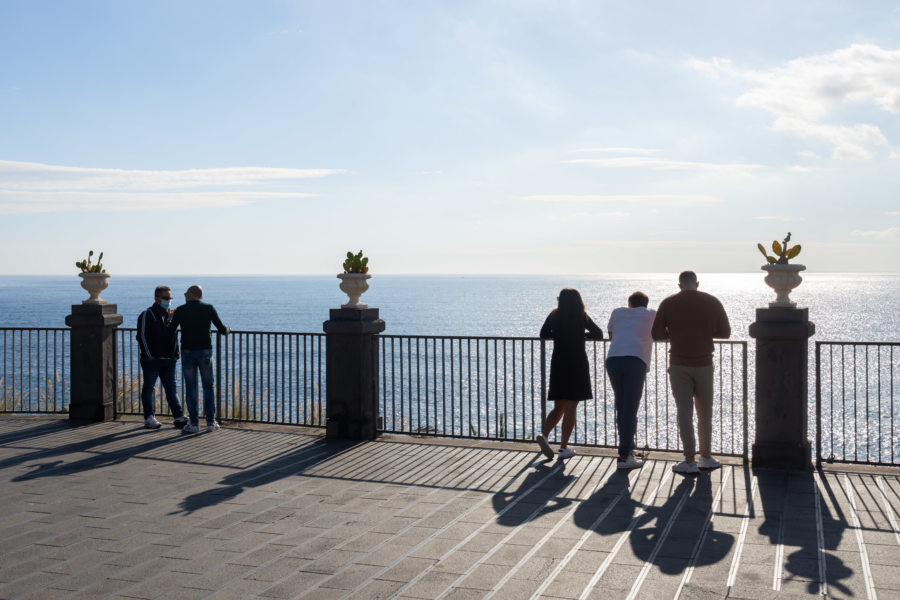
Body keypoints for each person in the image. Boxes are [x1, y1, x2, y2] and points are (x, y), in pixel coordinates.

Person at [651, 271, 731, 474]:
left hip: (679, 364)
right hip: (704, 364)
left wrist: (675, 332)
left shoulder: (668, 303)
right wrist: (704, 332)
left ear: (679, 285)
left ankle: (689, 460)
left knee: (684, 412)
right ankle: (706, 456)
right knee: (705, 412)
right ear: (697, 283)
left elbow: (657, 334)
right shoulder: (712, 301)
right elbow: (725, 332)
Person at [536, 288, 604, 460]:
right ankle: (563, 447)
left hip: (558, 363)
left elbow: (543, 334)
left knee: (559, 406)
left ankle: (544, 435)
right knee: (571, 406)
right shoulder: (582, 316)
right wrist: (582, 335)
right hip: (577, 364)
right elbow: (599, 334)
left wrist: (559, 335)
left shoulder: (554, 315)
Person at [169, 285, 230, 434]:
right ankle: (210, 422)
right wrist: (228, 330)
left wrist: (171, 318)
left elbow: (170, 330)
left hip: (188, 351)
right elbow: (222, 329)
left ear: (190, 294)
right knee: (208, 387)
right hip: (205, 351)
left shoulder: (181, 310)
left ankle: (194, 423)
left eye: (185, 293)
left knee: (191, 388)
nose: (184, 295)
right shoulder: (209, 308)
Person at [605, 291, 656, 470]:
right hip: (635, 360)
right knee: (630, 408)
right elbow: (662, 332)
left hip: (613, 360)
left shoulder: (617, 312)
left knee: (621, 406)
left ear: (629, 304)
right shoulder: (651, 314)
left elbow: (611, 334)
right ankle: (624, 455)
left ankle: (628, 449)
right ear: (645, 304)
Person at [136, 286, 187, 430]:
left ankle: (178, 416)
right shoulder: (148, 314)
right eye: (166, 298)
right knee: (149, 388)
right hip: (152, 360)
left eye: (170, 298)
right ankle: (149, 417)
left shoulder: (169, 316)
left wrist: (175, 354)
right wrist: (148, 354)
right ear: (157, 298)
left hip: (169, 359)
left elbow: (171, 335)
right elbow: (142, 336)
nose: (169, 301)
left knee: (171, 388)